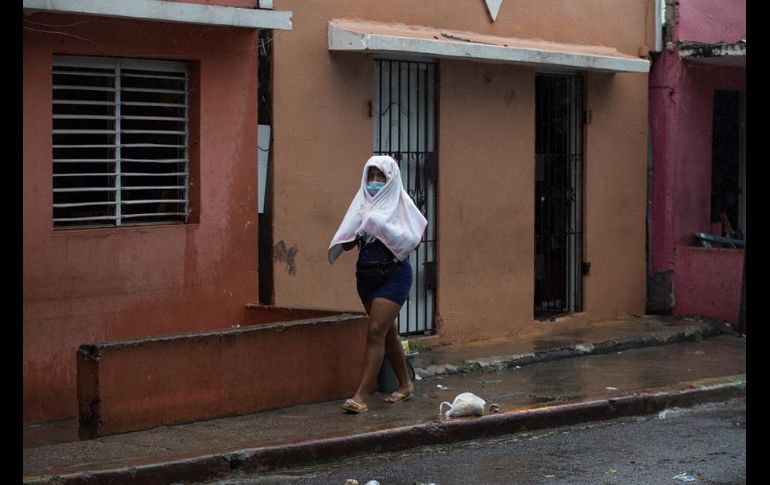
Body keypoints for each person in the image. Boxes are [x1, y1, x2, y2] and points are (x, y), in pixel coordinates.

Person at [328, 155, 427, 414]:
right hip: (366, 278)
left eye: (379, 177)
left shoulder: (401, 204)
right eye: (370, 176)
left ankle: (360, 396)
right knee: (387, 332)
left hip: (393, 276)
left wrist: (379, 225)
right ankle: (406, 384)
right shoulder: (361, 203)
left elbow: (412, 240)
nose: (374, 182)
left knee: (375, 332)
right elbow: (348, 243)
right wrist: (359, 225)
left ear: (390, 179)